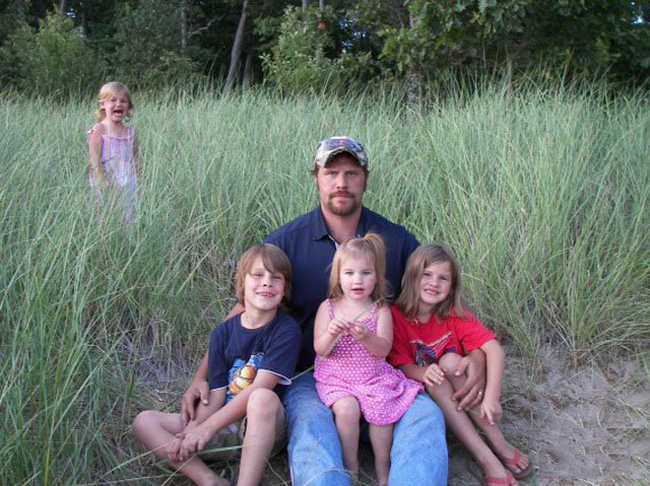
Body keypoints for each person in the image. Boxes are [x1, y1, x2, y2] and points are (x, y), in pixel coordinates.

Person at [181, 136, 487, 486]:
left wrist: (477, 355)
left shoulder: (394, 239)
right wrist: (201, 377)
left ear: (365, 179)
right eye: (332, 173)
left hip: (384, 374)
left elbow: (439, 294)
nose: (341, 182)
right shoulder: (287, 241)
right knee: (311, 428)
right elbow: (243, 312)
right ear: (317, 178)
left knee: (427, 418)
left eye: (351, 173)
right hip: (311, 376)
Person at [133, 244, 302, 486]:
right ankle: (209, 480)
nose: (267, 282)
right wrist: (192, 430)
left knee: (262, 398)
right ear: (242, 283)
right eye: (258, 275)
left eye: (276, 278)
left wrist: (207, 428)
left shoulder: (286, 330)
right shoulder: (222, 333)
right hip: (222, 428)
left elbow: (260, 387)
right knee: (145, 421)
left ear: (285, 289)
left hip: (261, 427)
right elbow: (216, 394)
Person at [389, 243, 533, 486]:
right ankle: (486, 458)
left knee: (453, 363)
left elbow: (495, 350)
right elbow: (402, 364)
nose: (434, 283)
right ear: (411, 276)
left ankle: (499, 442)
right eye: (426, 274)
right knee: (437, 378)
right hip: (426, 396)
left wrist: (492, 398)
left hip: (460, 385)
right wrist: (422, 372)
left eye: (443, 278)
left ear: (452, 284)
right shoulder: (396, 317)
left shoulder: (452, 313)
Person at [313, 233, 422, 485]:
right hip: (336, 379)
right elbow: (320, 349)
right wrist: (331, 333)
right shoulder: (328, 307)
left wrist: (366, 337)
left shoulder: (380, 309)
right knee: (347, 409)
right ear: (338, 276)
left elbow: (383, 349)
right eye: (349, 273)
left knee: (382, 410)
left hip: (373, 377)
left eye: (366, 273)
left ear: (377, 277)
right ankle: (350, 466)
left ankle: (383, 467)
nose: (357, 280)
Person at [87, 81, 140, 224]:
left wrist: (141, 183)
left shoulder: (130, 132)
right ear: (102, 105)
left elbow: (136, 159)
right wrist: (103, 183)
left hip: (129, 184)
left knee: (128, 220)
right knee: (106, 220)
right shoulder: (99, 130)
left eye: (123, 101)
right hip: (107, 184)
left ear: (128, 106)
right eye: (113, 100)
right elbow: (95, 161)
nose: (118, 104)